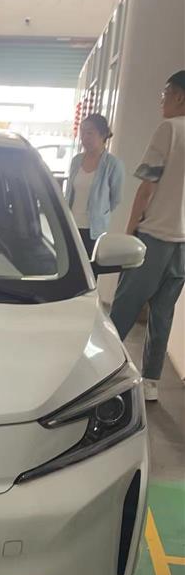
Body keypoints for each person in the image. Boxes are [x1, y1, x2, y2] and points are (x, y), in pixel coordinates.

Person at [110, 71, 185, 402]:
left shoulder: (170, 129)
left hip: (154, 237)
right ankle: (151, 382)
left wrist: (129, 232)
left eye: (165, 93)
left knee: (124, 306)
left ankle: (102, 371)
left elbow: (147, 187)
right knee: (163, 314)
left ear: (180, 96)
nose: (162, 100)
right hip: (182, 243)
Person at [67, 114, 124, 264]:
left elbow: (115, 199)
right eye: (83, 132)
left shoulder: (113, 164)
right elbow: (70, 192)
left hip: (93, 229)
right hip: (72, 225)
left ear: (103, 135)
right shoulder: (76, 161)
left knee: (89, 269)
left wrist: (100, 211)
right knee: (70, 266)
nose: (85, 137)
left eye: (90, 133)